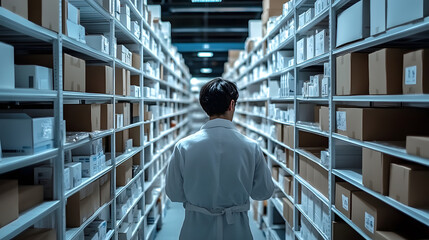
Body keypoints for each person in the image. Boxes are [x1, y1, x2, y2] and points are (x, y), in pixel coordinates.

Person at [165, 77, 275, 240]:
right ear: (232, 105)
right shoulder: (251, 147)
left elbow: (174, 194)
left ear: (205, 107)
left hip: (195, 230)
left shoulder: (184, 146)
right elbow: (263, 192)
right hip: (237, 231)